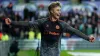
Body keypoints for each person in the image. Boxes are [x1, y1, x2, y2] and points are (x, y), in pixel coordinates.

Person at [5, 1, 95, 56]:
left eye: (60, 10)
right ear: (51, 11)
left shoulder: (62, 24)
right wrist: (12, 22)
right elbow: (27, 24)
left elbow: (75, 31)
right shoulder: (42, 22)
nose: (60, 12)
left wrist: (88, 38)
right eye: (57, 10)